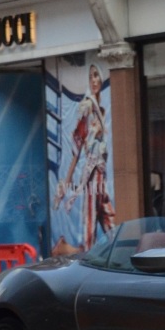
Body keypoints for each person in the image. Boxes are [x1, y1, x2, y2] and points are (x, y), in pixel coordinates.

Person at [56, 64, 115, 247]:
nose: (94, 80)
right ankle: (87, 265)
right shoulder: (86, 107)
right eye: (91, 77)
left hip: (100, 174)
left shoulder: (102, 110)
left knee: (110, 222)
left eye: (97, 75)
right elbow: (77, 146)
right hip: (90, 176)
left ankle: (120, 260)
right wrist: (66, 182)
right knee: (89, 229)